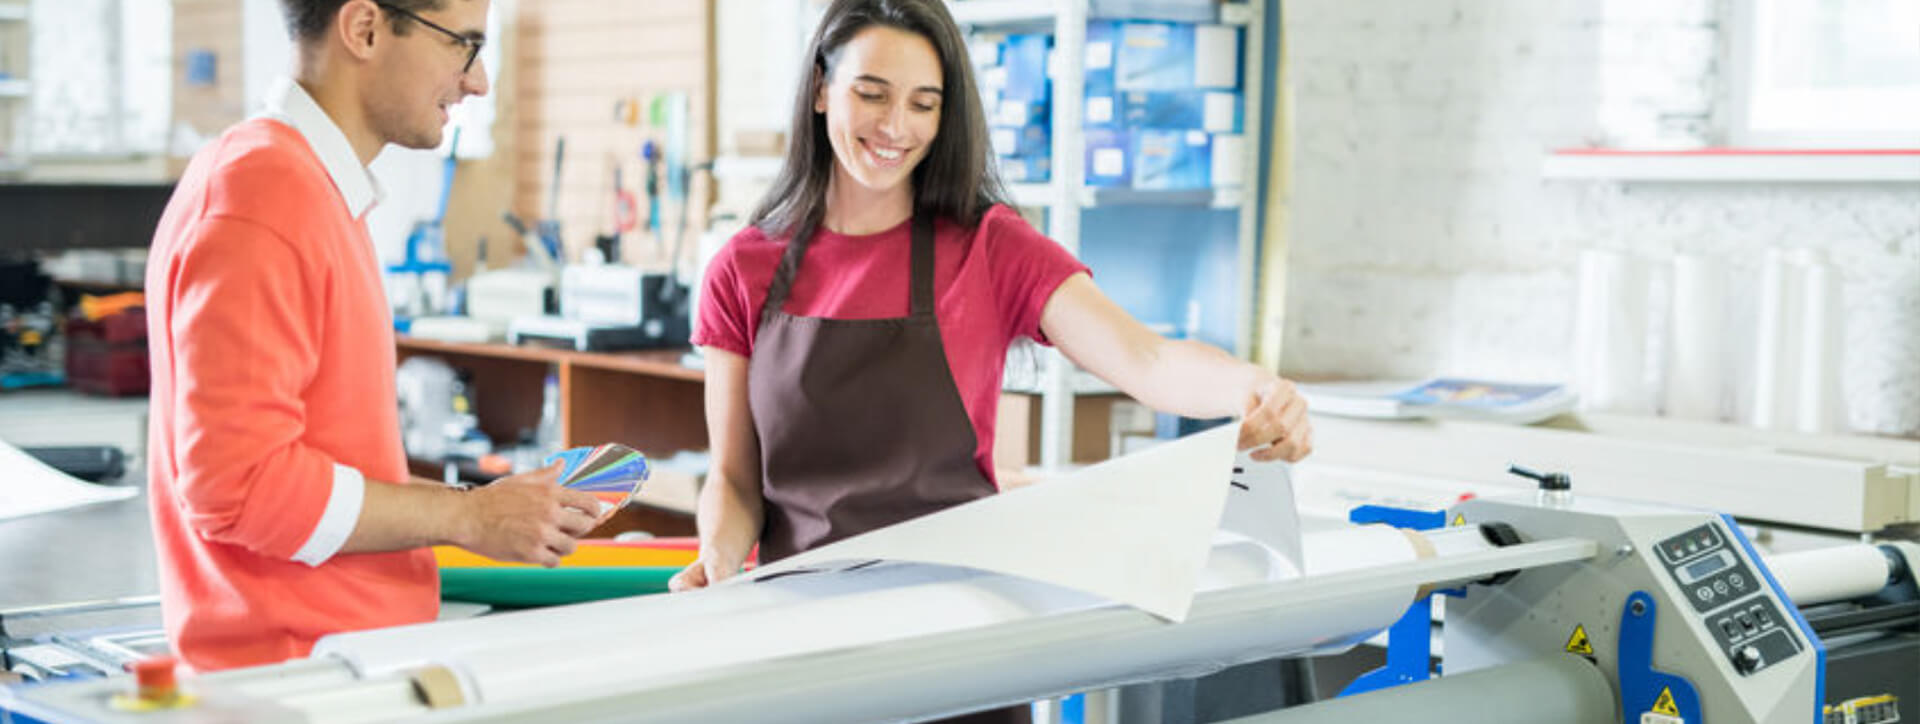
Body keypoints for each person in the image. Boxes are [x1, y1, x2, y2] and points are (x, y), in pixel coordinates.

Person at [672, 0, 1312, 587]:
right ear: (819, 89)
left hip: (959, 619)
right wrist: (719, 557)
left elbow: (1147, 360)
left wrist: (1252, 388)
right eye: (872, 94)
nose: (896, 126)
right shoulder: (742, 269)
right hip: (798, 623)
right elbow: (734, 479)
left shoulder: (989, 245)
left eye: (924, 104)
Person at [145, 0, 601, 672]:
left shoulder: (305, 186)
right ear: (364, 29)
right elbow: (239, 486)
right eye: (463, 45)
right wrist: (468, 517)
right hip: (302, 674)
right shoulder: (261, 194)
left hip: (343, 658)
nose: (479, 82)